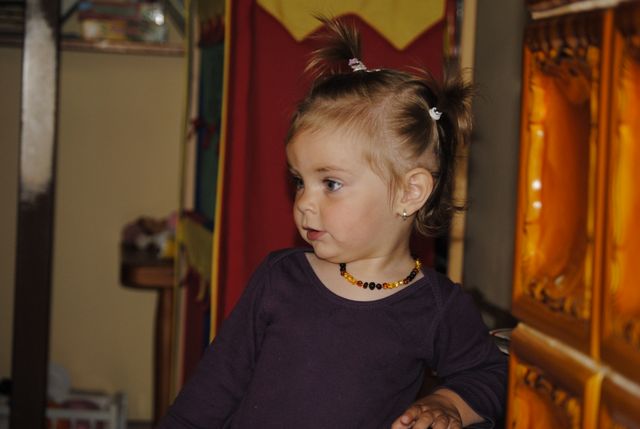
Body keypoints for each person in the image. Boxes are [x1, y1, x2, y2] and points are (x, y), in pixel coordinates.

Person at [158, 17, 507, 429]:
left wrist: (447, 403)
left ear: (409, 192)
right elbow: (209, 393)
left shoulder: (436, 307)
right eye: (299, 181)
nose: (304, 202)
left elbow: (493, 375)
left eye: (331, 183)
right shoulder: (279, 279)